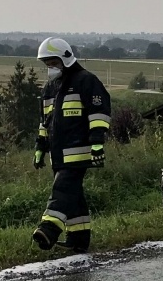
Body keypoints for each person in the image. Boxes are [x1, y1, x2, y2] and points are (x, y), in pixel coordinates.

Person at [31, 38, 112, 254]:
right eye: (47, 64)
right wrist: (40, 148)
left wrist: (96, 143)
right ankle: (78, 239)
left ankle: (48, 230)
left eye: (53, 63)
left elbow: (99, 113)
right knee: (74, 196)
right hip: (57, 154)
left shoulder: (86, 81)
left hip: (79, 151)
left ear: (65, 58)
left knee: (63, 190)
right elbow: (44, 122)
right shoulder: (49, 88)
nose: (50, 68)